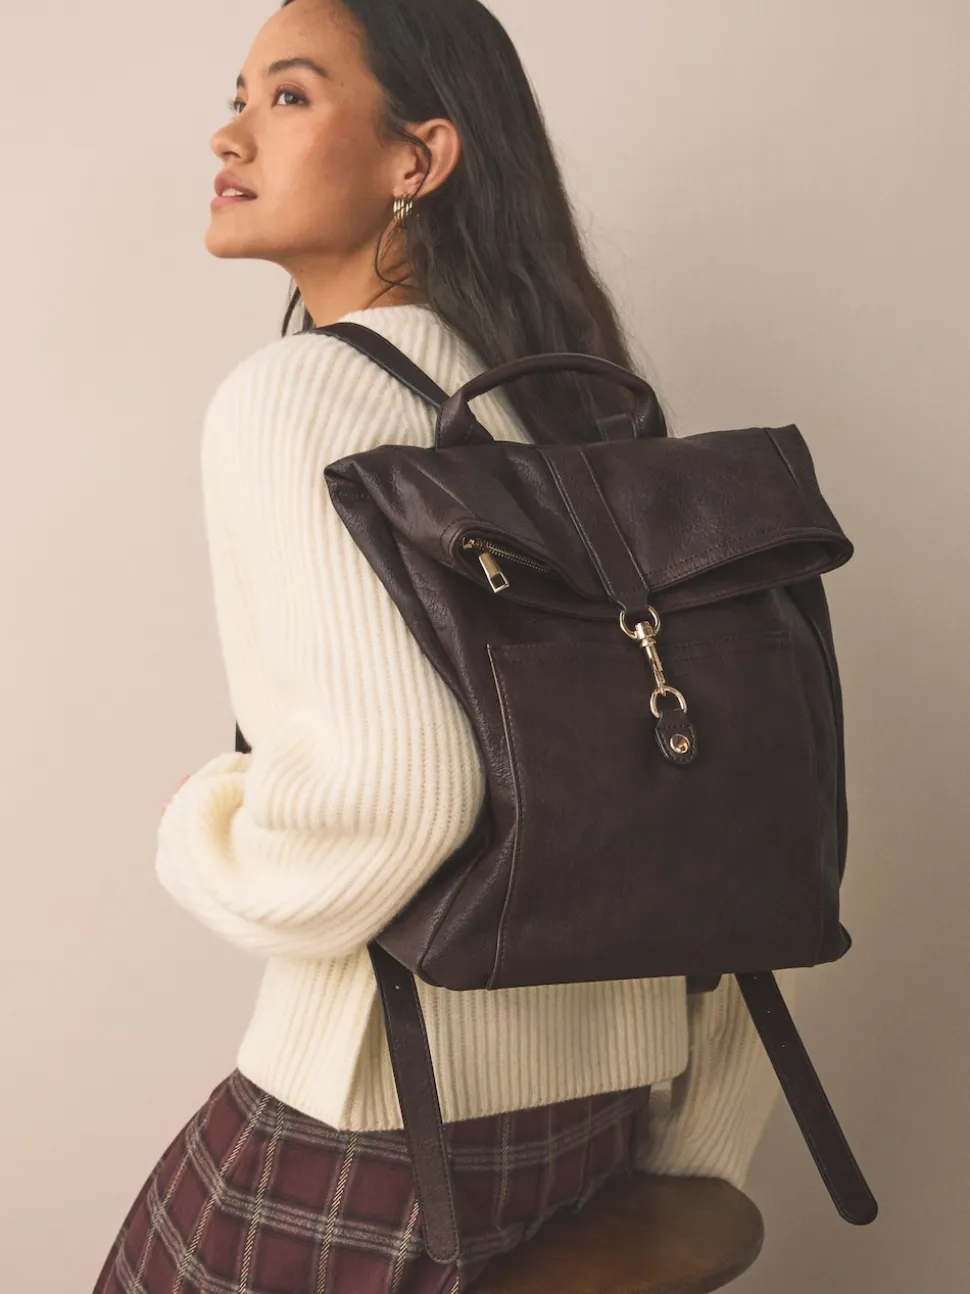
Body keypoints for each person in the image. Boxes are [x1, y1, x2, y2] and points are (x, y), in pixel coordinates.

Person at [93, 1, 795, 1290]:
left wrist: (203, 818)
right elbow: (733, 798)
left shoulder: (296, 394)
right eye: (239, 96)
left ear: (418, 157)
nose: (229, 134)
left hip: (376, 1135)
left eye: (288, 96)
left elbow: (399, 800)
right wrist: (695, 1154)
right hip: (593, 1129)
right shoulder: (577, 408)